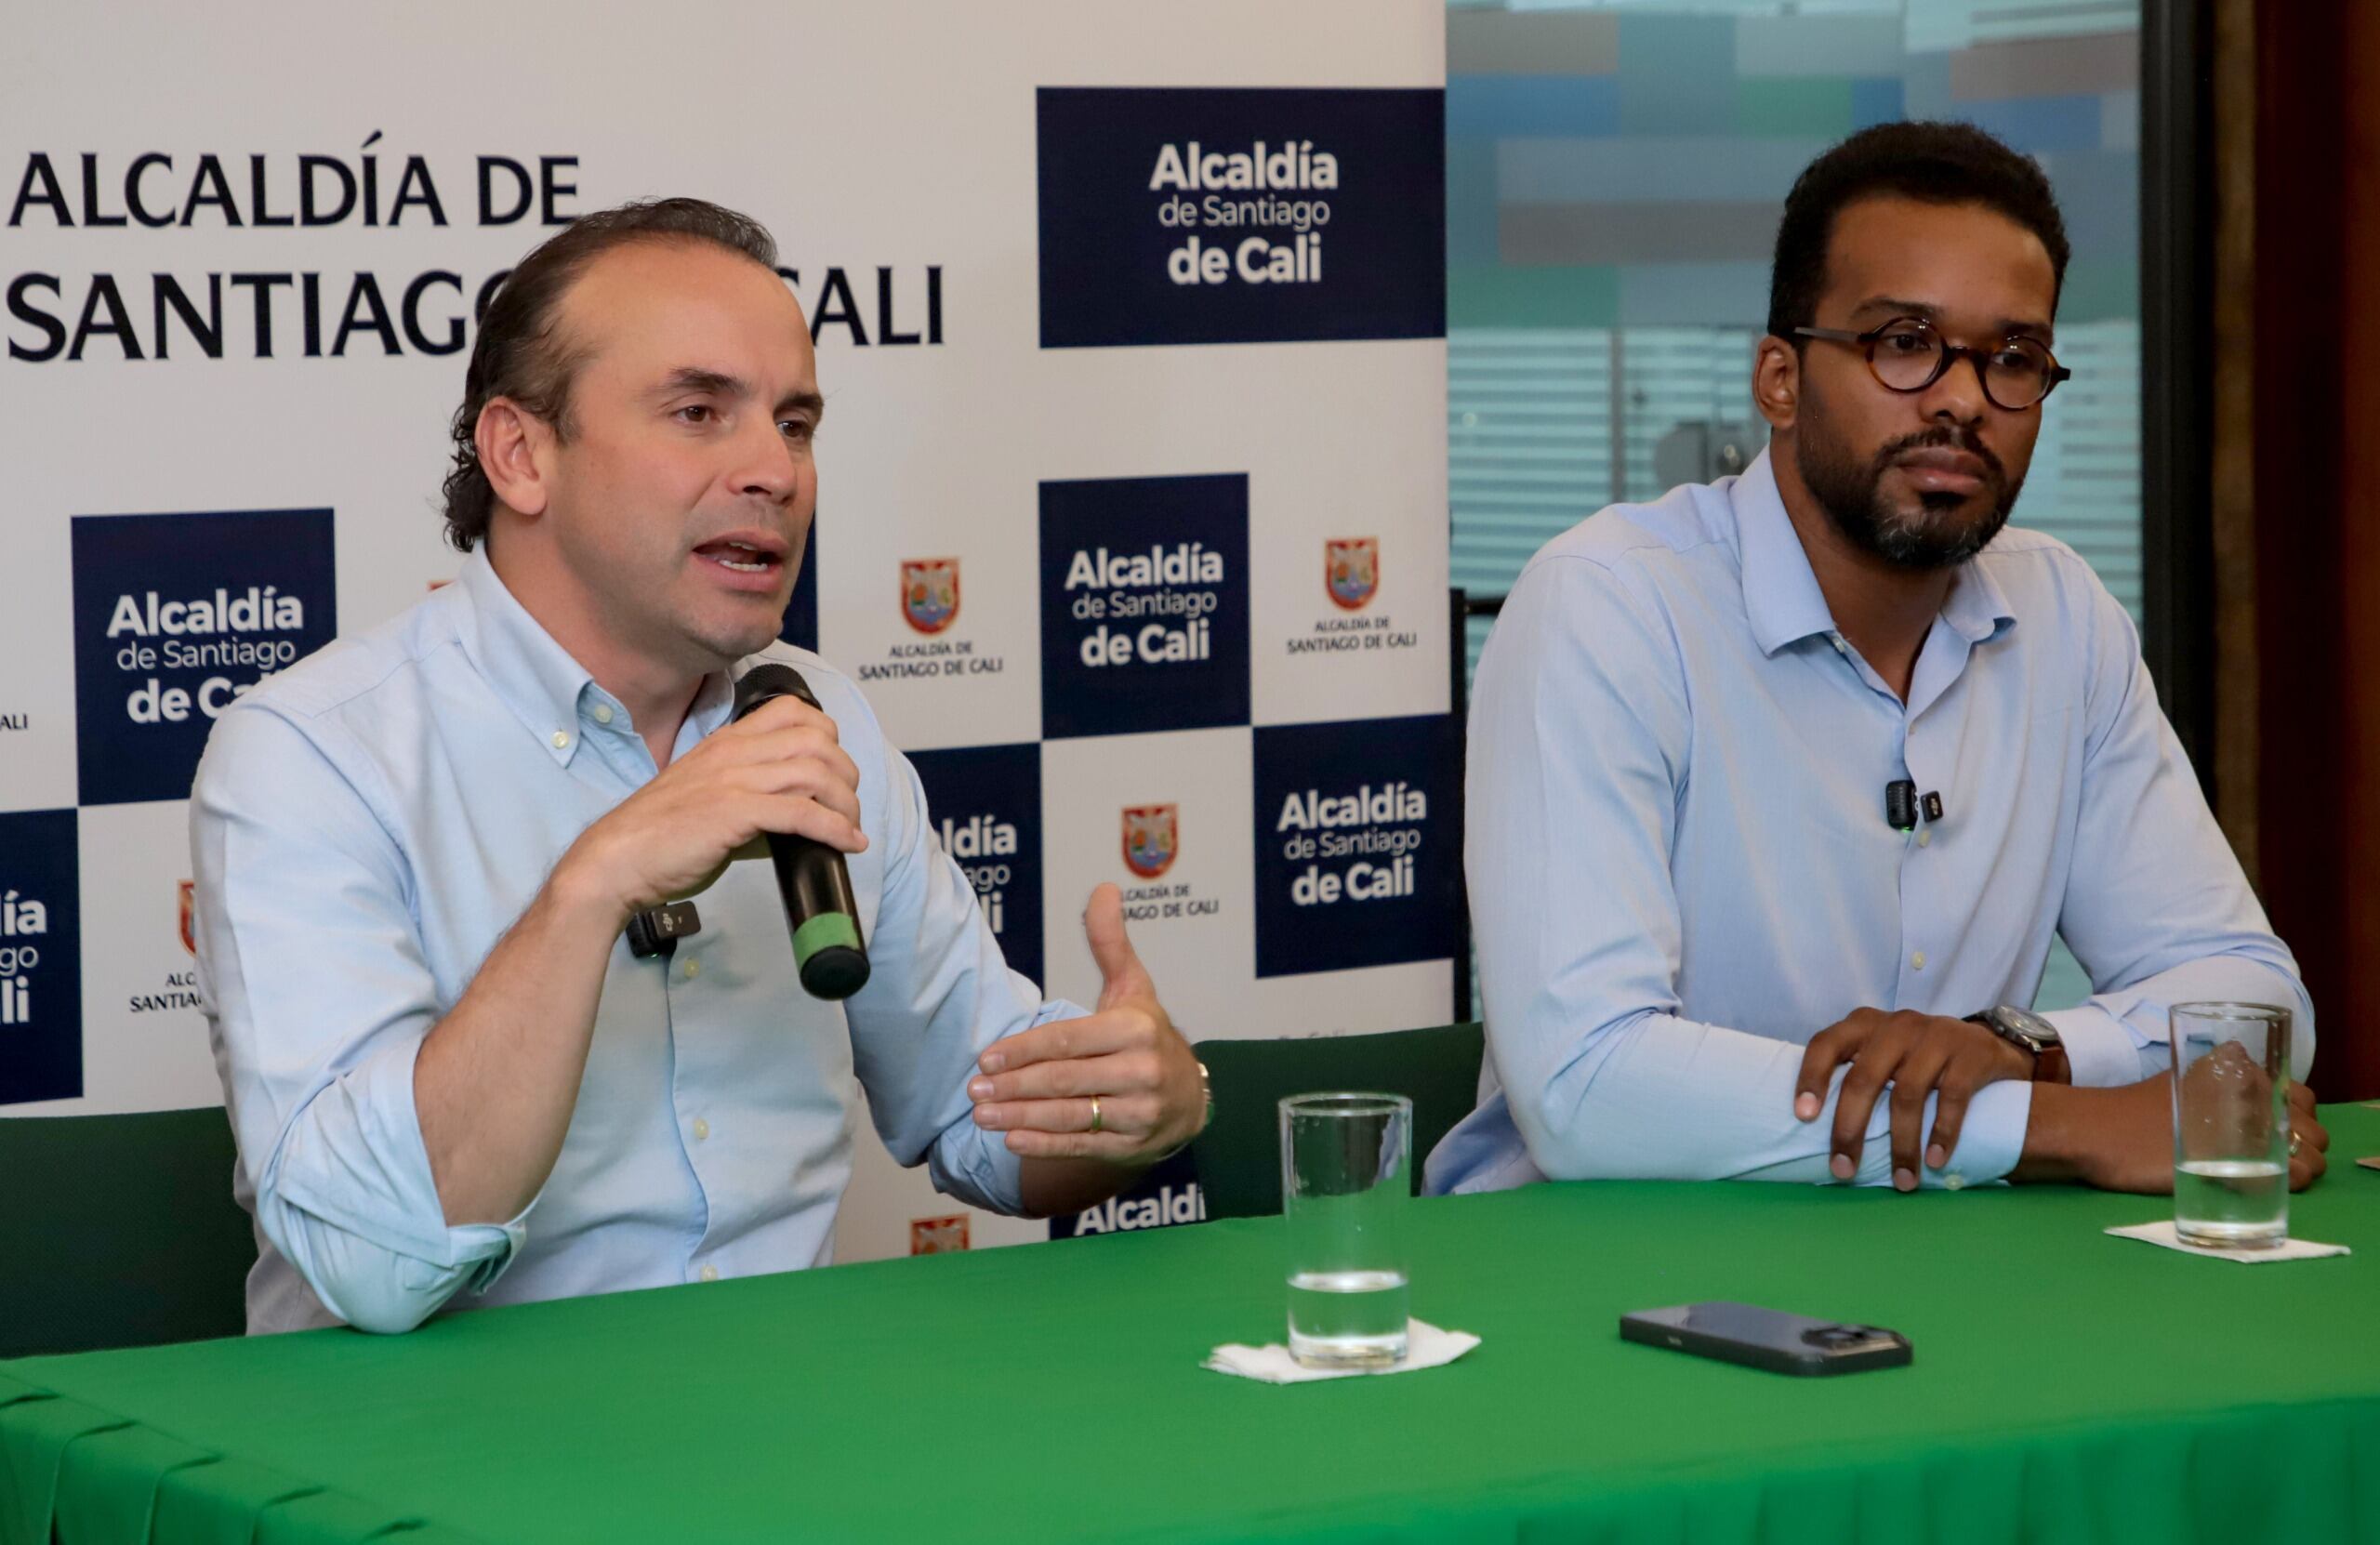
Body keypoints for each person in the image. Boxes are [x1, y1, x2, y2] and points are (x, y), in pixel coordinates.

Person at [191, 199, 1210, 1335]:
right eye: (697, 412)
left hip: (783, 1441)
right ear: (521, 454)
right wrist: (596, 882)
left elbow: (980, 1128)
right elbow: (373, 1267)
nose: (773, 469)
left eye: (796, 423)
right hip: (435, 1463)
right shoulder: (315, 755)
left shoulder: (824, 722)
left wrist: (1131, 1107)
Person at [1428, 122, 2328, 1199]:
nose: (1958, 398)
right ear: (1778, 378)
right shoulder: (1611, 605)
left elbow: (2256, 1005)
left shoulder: (2062, 615)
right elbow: (1587, 1087)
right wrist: (2056, 1126)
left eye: (2011, 358)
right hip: (1588, 1285)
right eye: (1904, 341)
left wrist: (2022, 1043)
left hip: (1931, 1263)